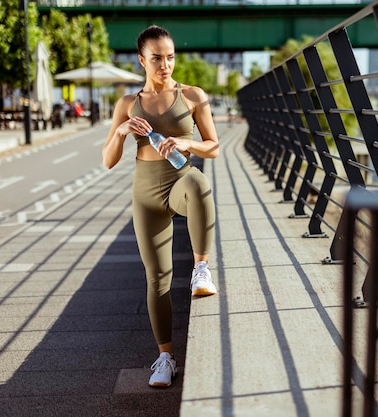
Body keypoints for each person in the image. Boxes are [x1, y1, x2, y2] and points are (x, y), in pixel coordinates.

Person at [101, 25, 219, 388]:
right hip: (145, 191)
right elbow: (107, 160)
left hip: (179, 181)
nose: (165, 64)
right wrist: (121, 133)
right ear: (142, 61)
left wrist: (188, 145)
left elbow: (213, 146)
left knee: (199, 182)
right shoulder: (126, 103)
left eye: (170, 57)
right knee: (157, 280)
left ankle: (201, 268)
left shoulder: (194, 96)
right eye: (156, 59)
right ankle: (165, 357)